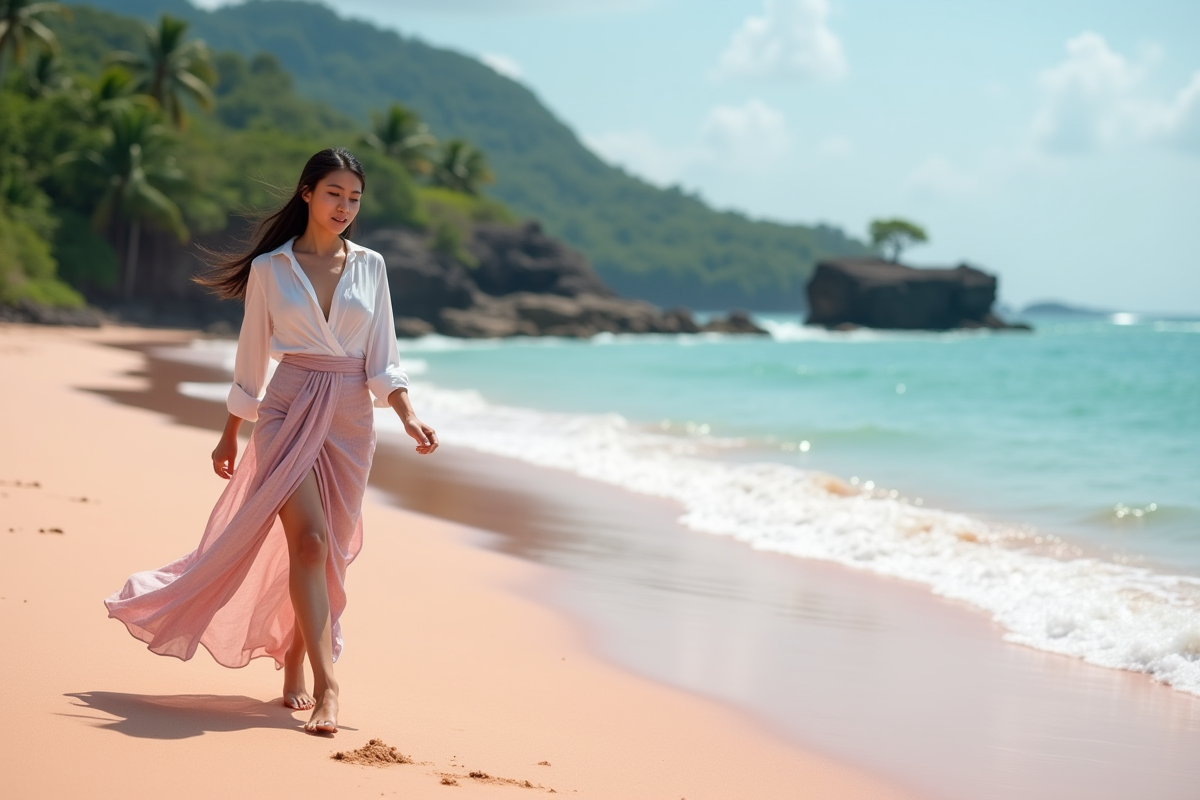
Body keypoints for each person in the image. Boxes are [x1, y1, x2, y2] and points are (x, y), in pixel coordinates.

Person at [105, 148, 438, 735]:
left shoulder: (371, 266)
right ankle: (328, 681)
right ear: (307, 193)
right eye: (334, 193)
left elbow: (384, 358)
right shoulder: (270, 269)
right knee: (308, 542)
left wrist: (408, 415)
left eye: (355, 198)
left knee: (326, 548)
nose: (345, 207)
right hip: (286, 409)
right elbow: (252, 359)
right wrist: (230, 432)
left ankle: (292, 657)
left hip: (350, 420)